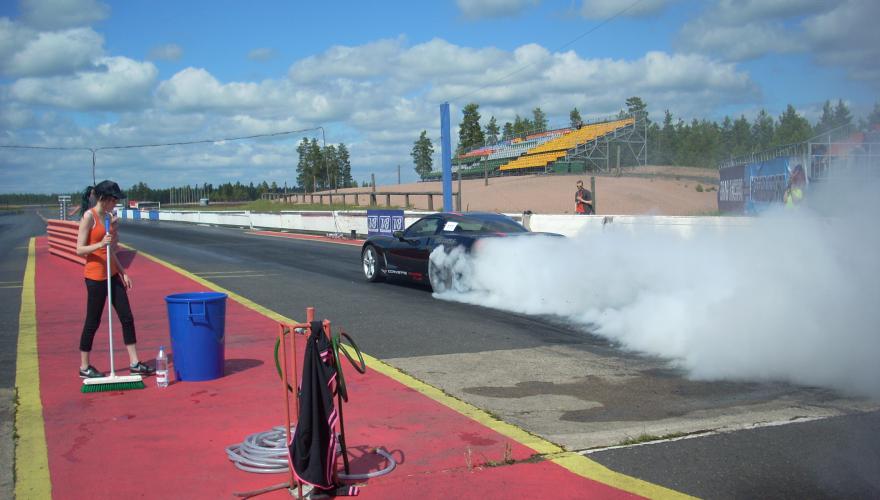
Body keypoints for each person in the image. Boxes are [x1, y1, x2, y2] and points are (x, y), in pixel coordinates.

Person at [75, 180, 154, 378]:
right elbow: (79, 249)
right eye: (114, 201)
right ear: (104, 199)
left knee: (127, 316)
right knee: (93, 321)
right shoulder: (89, 217)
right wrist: (100, 243)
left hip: (111, 274)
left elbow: (111, 251)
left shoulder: (109, 217)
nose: (116, 204)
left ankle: (134, 362)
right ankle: (84, 366)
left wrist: (122, 272)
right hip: (95, 277)